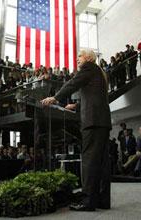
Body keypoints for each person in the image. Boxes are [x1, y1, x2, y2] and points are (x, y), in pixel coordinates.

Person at [41, 49, 111, 211]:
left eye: (79, 56)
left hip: (93, 122)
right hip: (101, 121)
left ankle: (87, 202)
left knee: (89, 161)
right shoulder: (98, 72)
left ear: (87, 57)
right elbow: (96, 97)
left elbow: (73, 83)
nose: (77, 59)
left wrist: (55, 97)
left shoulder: (89, 67)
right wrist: (78, 105)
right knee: (101, 163)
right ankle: (102, 200)